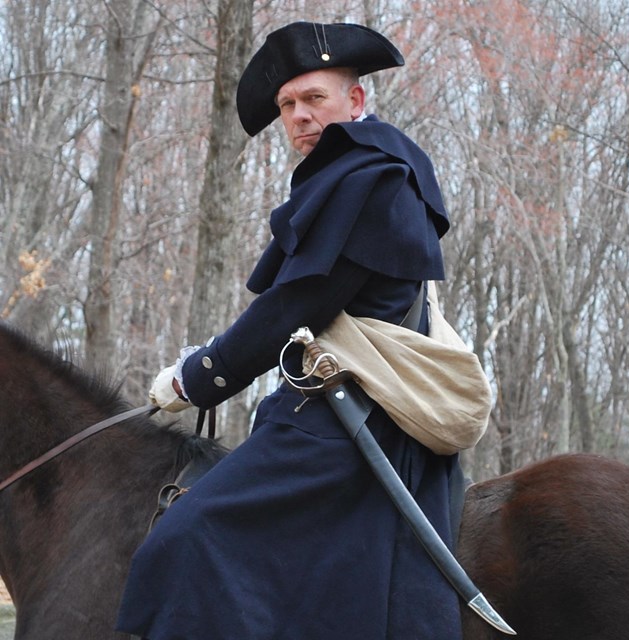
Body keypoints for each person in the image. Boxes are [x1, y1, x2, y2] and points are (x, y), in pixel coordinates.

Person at [117, 21, 464, 640]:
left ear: (355, 102)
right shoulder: (359, 176)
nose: (300, 116)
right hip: (340, 415)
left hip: (346, 426)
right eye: (288, 105)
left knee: (183, 537)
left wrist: (197, 376)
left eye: (314, 99)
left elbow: (290, 308)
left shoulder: (370, 181)